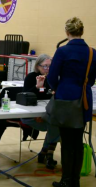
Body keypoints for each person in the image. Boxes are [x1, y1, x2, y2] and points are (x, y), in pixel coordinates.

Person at [48, 17, 96, 187]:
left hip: (66, 100)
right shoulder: (92, 52)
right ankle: (75, 180)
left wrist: (57, 88)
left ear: (67, 32)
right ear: (81, 32)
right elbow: (91, 80)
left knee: (67, 143)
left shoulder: (62, 51)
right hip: (84, 100)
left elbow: (52, 77)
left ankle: (67, 181)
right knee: (77, 142)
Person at [21, 54, 60, 169]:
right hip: (31, 115)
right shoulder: (31, 77)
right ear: (38, 66)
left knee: (57, 124)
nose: (47, 69)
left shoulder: (52, 78)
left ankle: (46, 153)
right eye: (45, 66)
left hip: (47, 113)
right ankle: (47, 154)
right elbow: (23, 97)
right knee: (56, 125)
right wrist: (37, 87)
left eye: (50, 66)